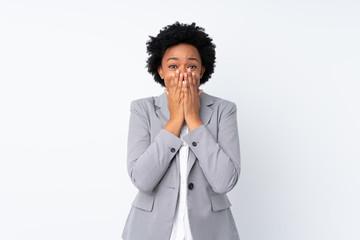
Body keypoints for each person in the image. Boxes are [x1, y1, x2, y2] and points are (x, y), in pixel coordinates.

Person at [122, 22, 241, 240]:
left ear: (203, 70)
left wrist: (194, 119)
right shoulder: (142, 109)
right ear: (160, 70)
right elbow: (142, 180)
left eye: (192, 66)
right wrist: (176, 119)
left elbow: (225, 181)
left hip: (211, 231)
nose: (183, 74)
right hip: (150, 230)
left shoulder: (224, 110)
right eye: (173, 66)